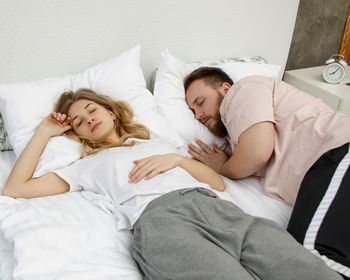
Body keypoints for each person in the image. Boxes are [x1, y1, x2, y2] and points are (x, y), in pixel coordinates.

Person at [2, 88, 343, 280]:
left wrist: (178, 160)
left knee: (307, 271)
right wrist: (44, 132)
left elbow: (218, 183)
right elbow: (15, 189)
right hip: (162, 222)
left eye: (91, 109)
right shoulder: (84, 166)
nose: (87, 119)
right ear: (74, 133)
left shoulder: (160, 142)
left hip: (220, 210)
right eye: (77, 121)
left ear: (112, 111)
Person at [184, 67, 350, 279]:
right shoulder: (235, 141)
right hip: (327, 170)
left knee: (313, 258)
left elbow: (256, 153)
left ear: (225, 89)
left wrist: (221, 168)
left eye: (200, 102)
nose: (198, 115)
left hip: (336, 152)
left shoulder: (244, 89)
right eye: (192, 111)